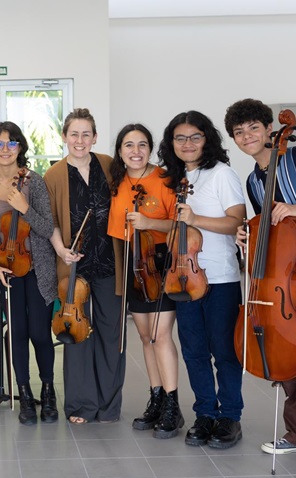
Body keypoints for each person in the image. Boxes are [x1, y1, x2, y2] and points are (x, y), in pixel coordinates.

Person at [226, 98, 296, 472]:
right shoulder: (255, 179)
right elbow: (270, 230)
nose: (247, 136)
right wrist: (247, 235)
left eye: (253, 128)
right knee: (292, 355)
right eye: (239, 132)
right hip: (283, 281)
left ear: (270, 128)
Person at [158, 110, 246, 448]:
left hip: (219, 277)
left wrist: (196, 217)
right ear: (172, 144)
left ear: (206, 139)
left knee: (224, 351)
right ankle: (205, 413)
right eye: (180, 138)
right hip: (183, 279)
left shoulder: (221, 174)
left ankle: (230, 417)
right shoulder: (177, 179)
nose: (187, 143)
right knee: (194, 351)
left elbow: (235, 223)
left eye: (195, 136)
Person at [44, 108, 124, 424]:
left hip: (109, 263)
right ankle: (80, 404)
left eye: (86, 134)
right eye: (74, 134)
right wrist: (61, 249)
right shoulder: (53, 175)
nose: (80, 140)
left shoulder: (108, 165)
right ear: (64, 137)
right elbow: (49, 220)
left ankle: (107, 405)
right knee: (75, 334)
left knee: (110, 333)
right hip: (73, 267)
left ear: (95, 137)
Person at [0, 121, 57, 425]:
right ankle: (24, 395)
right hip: (6, 268)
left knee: (39, 333)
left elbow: (47, 228)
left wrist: (23, 207)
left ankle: (48, 391)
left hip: (37, 267)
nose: (6, 149)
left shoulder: (33, 182)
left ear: (20, 148)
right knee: (17, 334)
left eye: (11, 143)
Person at [106, 123, 182, 438]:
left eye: (141, 145)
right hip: (134, 263)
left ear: (150, 148)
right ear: (120, 151)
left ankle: (173, 406)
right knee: (144, 337)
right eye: (128, 145)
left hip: (162, 260)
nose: (135, 151)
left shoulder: (164, 178)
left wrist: (149, 221)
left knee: (161, 335)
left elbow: (179, 224)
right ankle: (157, 398)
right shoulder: (117, 181)